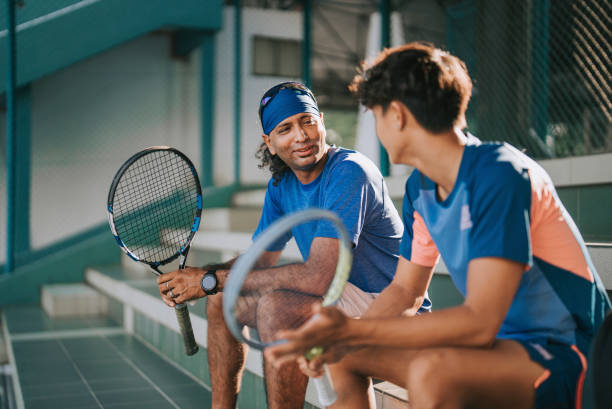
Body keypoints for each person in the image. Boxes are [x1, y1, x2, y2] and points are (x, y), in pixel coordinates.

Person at [266, 43, 612, 409]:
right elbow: (405, 292)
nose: (378, 128)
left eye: (375, 115)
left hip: (571, 352)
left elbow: (480, 321)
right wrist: (341, 336)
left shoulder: (500, 174)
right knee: (344, 353)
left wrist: (351, 327)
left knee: (434, 372)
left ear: (396, 115)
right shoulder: (422, 187)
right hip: (505, 347)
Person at [156, 81, 430, 409]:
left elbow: (318, 276)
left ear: (322, 123)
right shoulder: (282, 185)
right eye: (285, 128)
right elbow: (260, 261)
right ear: (269, 143)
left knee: (276, 309)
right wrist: (202, 279)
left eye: (307, 121)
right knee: (220, 302)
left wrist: (209, 279)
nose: (301, 136)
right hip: (340, 292)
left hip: (388, 303)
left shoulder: (349, 172)